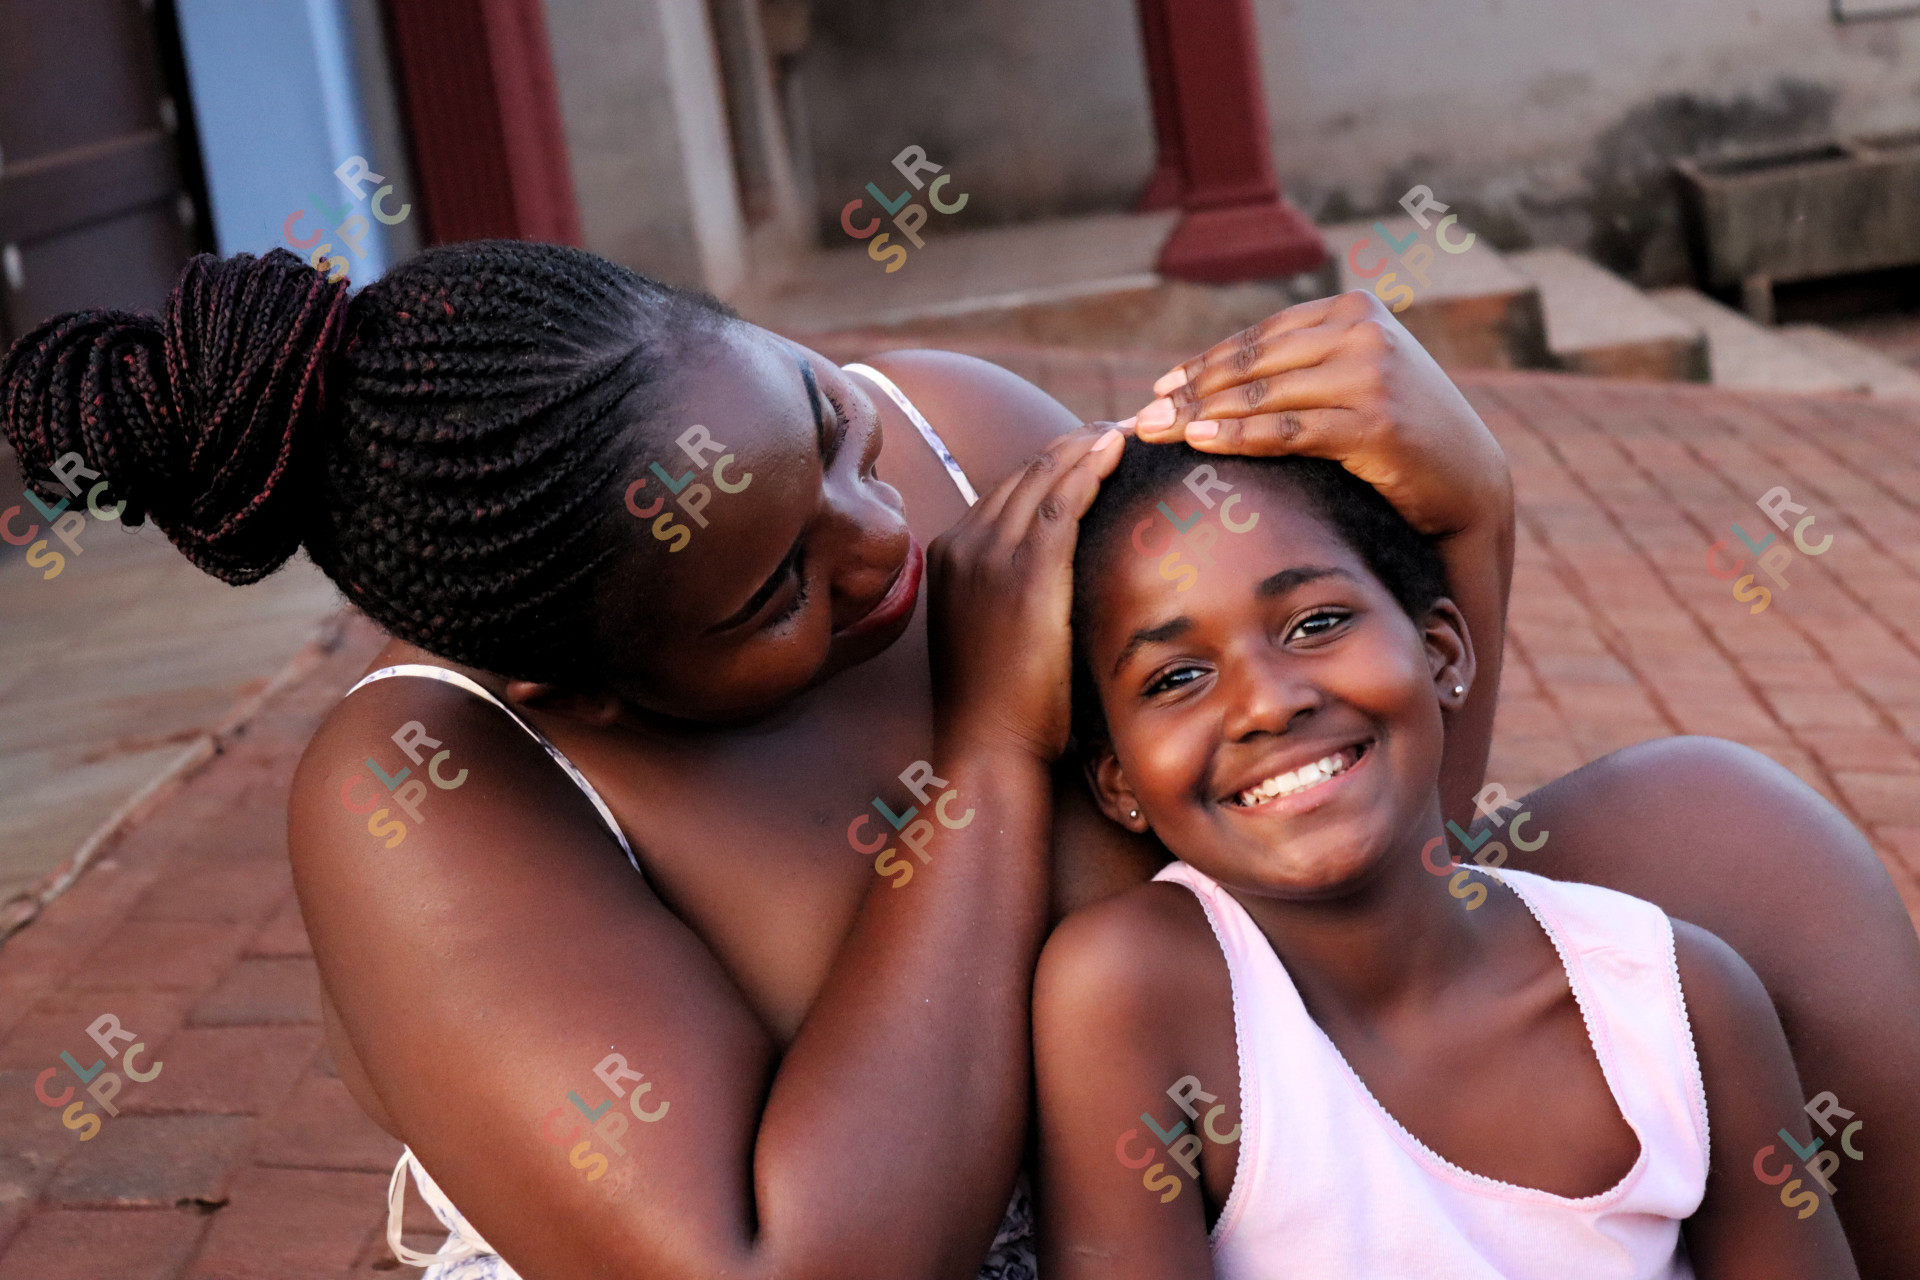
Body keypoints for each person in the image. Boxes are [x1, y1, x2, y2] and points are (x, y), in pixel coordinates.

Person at [1, 243, 1912, 1279]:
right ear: (576, 686)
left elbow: (1311, 807)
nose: (880, 544)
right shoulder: (429, 786)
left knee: (1722, 839)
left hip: (1206, 1105)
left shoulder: (956, 425)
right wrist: (993, 753)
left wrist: (1466, 512)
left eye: (821, 423)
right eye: (773, 595)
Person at [1034, 442, 1861, 1278]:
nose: (1269, 704)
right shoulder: (1130, 990)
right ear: (1116, 781)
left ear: (1442, 653)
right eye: (1175, 677)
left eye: (1315, 624)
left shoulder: (1679, 1001)